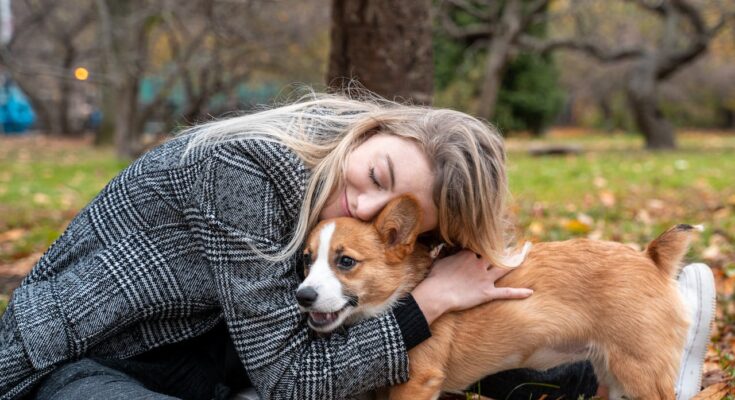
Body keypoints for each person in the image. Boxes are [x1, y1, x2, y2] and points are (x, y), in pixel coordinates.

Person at [0, 91, 713, 400]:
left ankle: (632, 345)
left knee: (417, 354)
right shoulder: (243, 168)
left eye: (402, 220)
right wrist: (424, 302)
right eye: (375, 176)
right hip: (73, 364)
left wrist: (436, 294)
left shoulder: (335, 204)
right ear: (374, 129)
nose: (364, 206)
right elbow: (290, 380)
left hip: (207, 360)